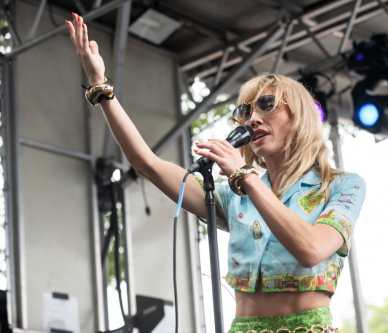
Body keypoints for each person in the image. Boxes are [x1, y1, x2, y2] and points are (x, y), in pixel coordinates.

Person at [66, 12, 366, 333]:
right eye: (244, 111)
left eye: (266, 104)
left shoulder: (341, 185)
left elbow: (311, 250)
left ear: (300, 115)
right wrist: (101, 87)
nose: (252, 119)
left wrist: (243, 175)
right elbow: (147, 164)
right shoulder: (234, 197)